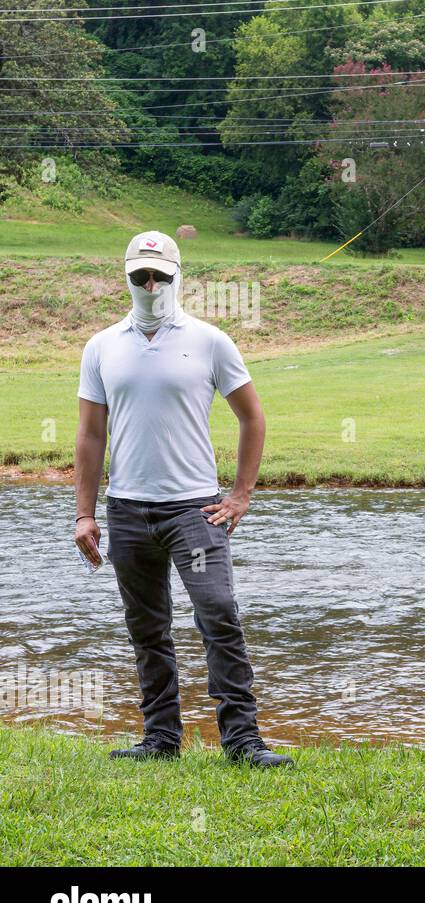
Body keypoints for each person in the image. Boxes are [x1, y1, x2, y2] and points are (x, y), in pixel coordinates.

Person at [74, 231, 290, 768]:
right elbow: (89, 435)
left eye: (160, 276)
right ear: (125, 276)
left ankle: (242, 741)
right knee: (146, 625)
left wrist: (240, 496)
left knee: (218, 613)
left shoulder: (210, 340)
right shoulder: (103, 345)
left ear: (177, 275)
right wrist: (84, 513)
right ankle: (160, 738)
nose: (150, 285)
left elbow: (253, 418)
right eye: (140, 276)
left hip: (195, 510)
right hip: (126, 510)